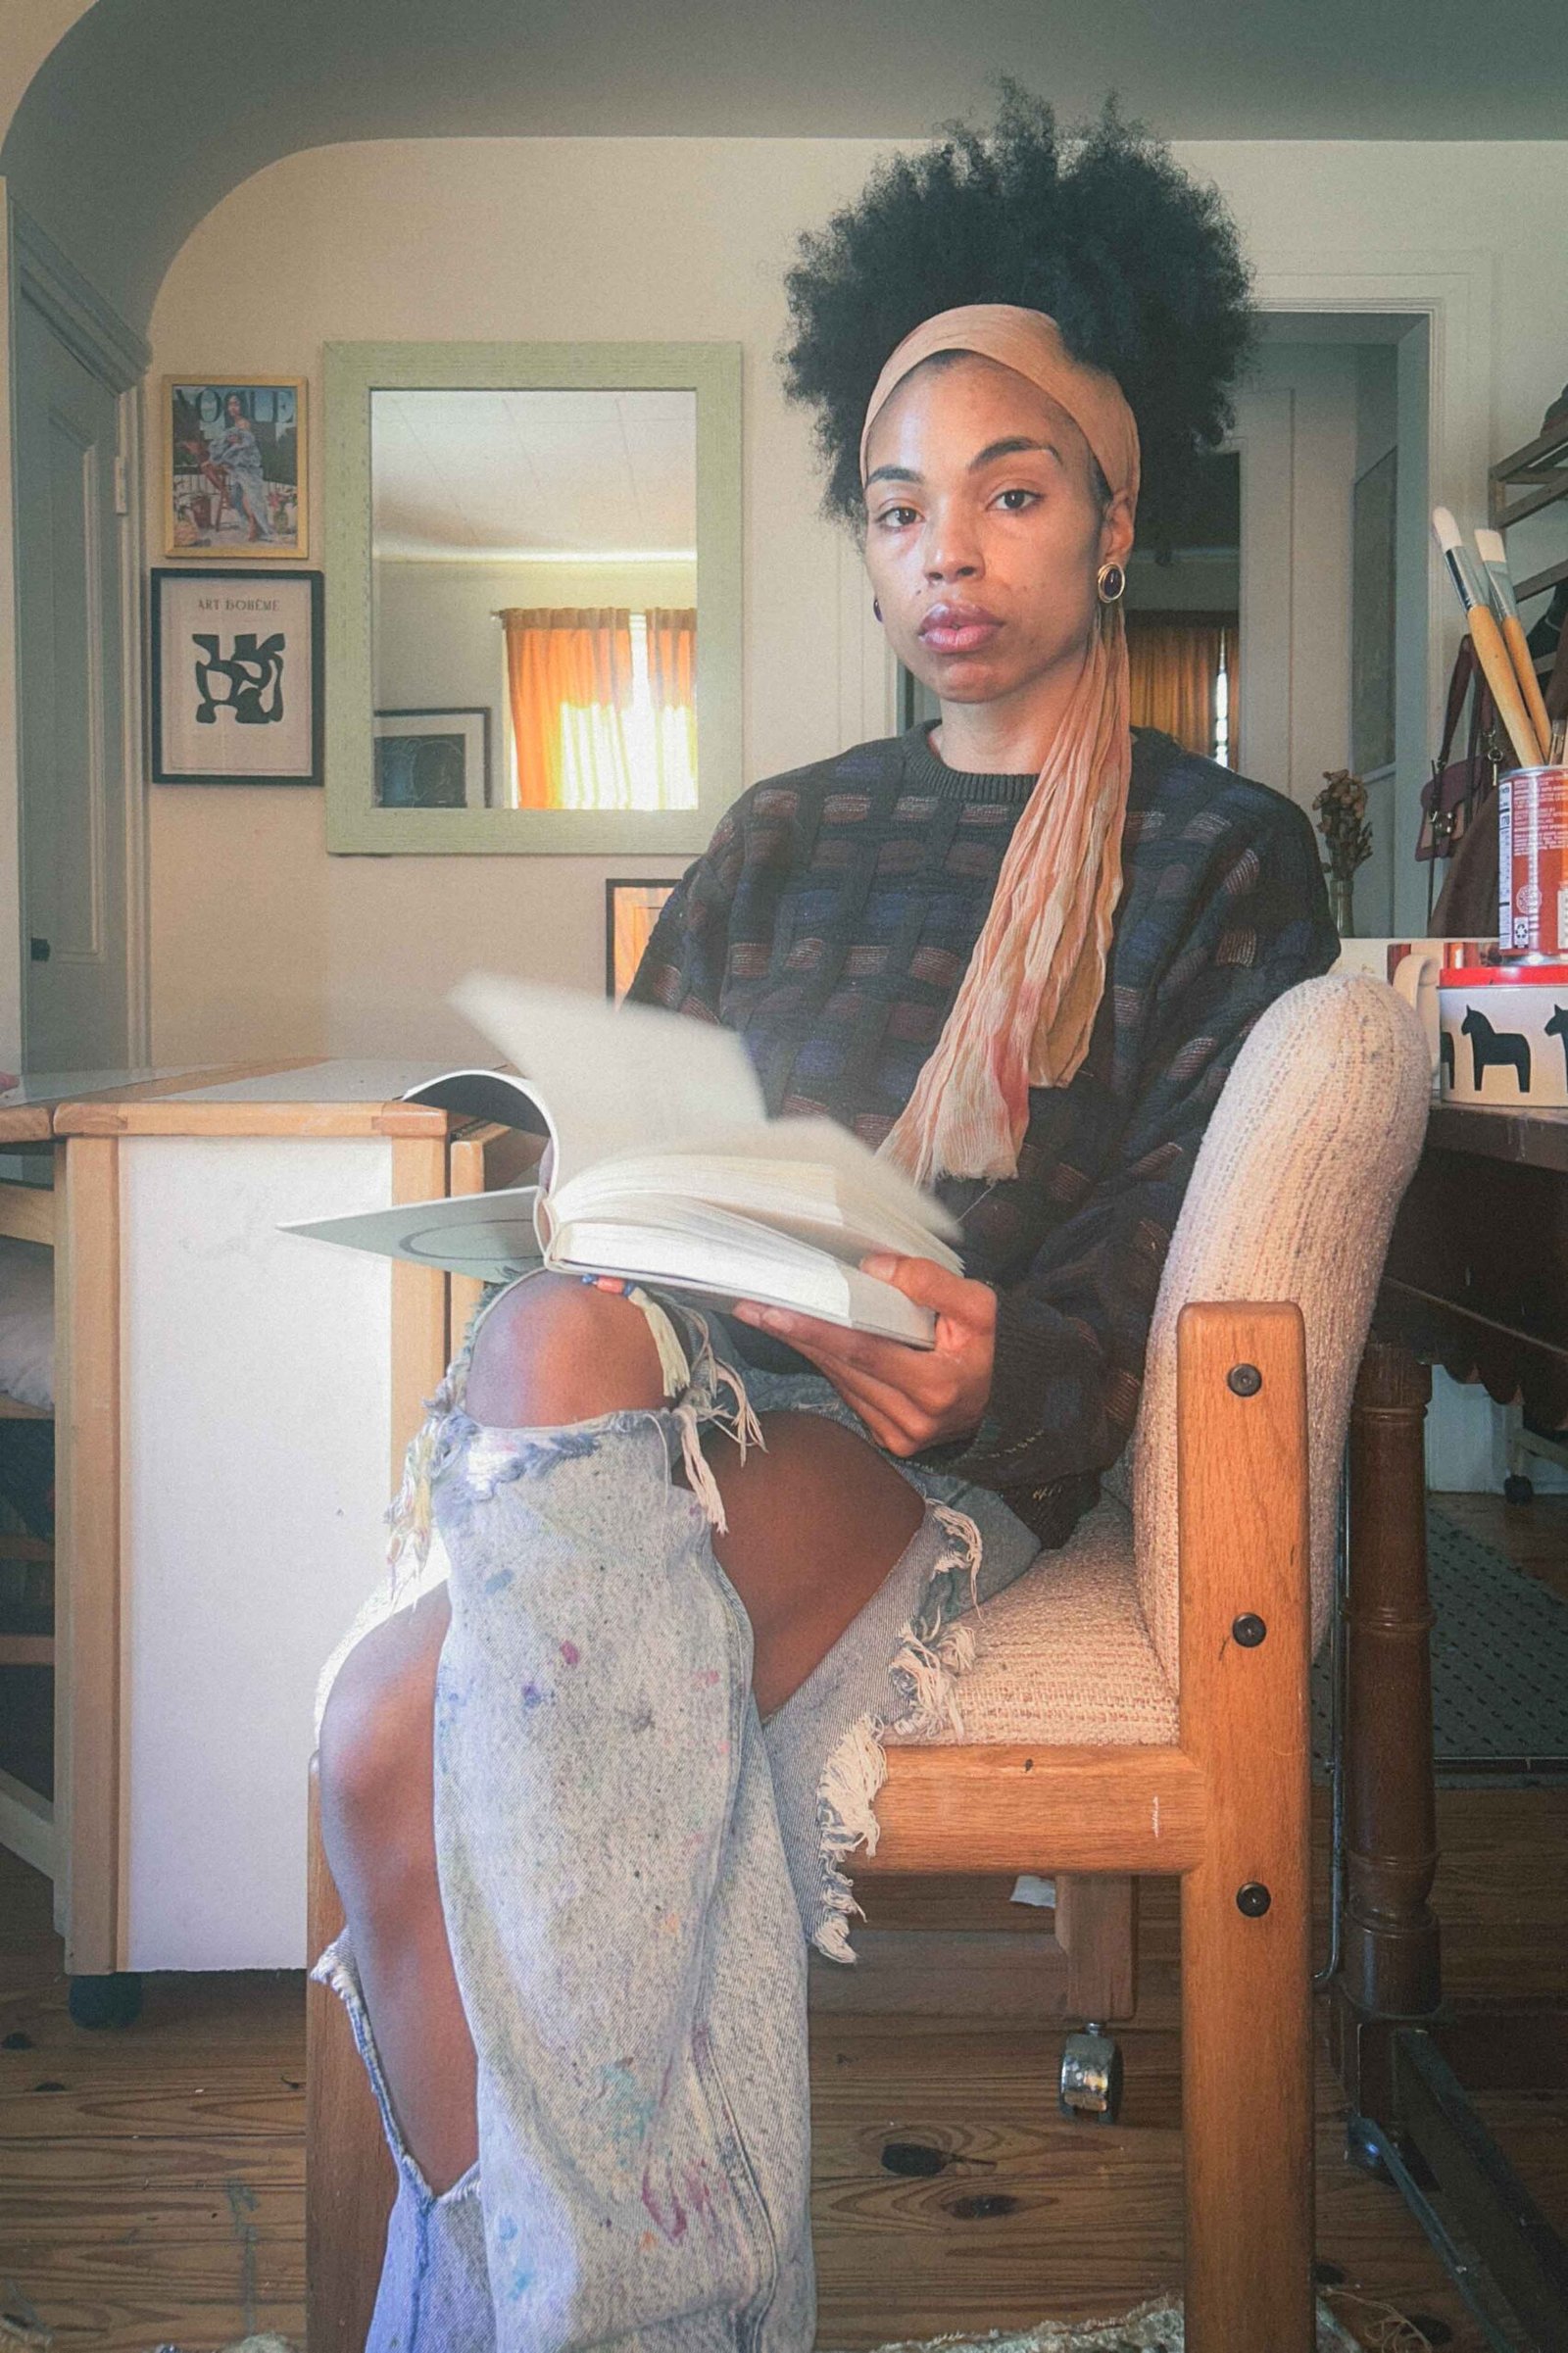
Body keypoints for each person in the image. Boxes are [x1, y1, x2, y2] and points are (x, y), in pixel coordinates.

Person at [315, 89, 1338, 2350]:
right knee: (388, 1719)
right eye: (899, 510)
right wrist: (595, 1210)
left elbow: (1168, 1257)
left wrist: (1001, 1360)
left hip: (920, 1446)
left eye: (1009, 491)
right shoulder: (783, 830)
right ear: (867, 556)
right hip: (676, 1390)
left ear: (1105, 524)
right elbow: (641, 1131)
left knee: (441, 1722)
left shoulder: (1218, 852)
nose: (947, 551)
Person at [201, 392, 275, 541]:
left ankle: (254, 525)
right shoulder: (233, 426)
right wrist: (219, 457)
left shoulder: (244, 424)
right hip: (234, 463)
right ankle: (226, 494)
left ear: (242, 406)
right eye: (230, 404)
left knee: (246, 493)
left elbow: (242, 447)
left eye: (236, 404)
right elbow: (226, 445)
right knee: (206, 467)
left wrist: (222, 458)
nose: (233, 408)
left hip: (246, 464)